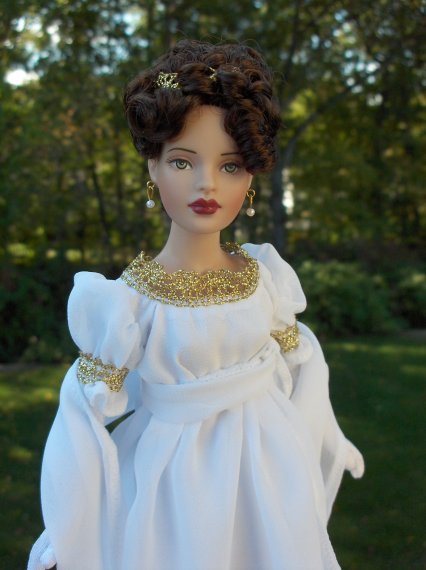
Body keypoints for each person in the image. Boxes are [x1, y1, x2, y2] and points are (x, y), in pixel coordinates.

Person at [28, 39, 364, 570]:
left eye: (230, 166)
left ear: (250, 178)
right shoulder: (129, 305)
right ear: (153, 167)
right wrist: (69, 526)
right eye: (183, 161)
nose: (207, 183)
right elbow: (81, 416)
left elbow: (302, 367)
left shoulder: (265, 280)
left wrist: (319, 440)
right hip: (173, 483)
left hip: (267, 473)